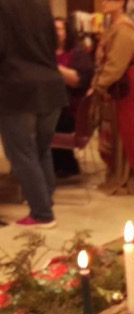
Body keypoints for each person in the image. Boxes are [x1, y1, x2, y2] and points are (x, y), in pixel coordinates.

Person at [0, 0, 68, 228]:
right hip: (51, 84)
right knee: (41, 149)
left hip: (17, 86)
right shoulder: (41, 5)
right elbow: (55, 42)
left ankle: (42, 214)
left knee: (21, 153)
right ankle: (45, 202)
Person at [91, 0, 134, 195]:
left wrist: (98, 85)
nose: (103, 2)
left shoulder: (124, 28)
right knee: (119, 129)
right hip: (121, 83)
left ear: (120, 3)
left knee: (131, 130)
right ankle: (120, 172)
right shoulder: (114, 25)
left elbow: (116, 65)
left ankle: (133, 176)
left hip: (129, 85)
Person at [53, 15, 95, 178]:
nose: (55, 33)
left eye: (59, 29)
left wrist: (54, 66)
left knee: (42, 122)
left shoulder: (77, 53)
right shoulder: (47, 52)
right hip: (55, 104)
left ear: (67, 32)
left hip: (72, 112)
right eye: (53, 30)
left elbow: (79, 81)